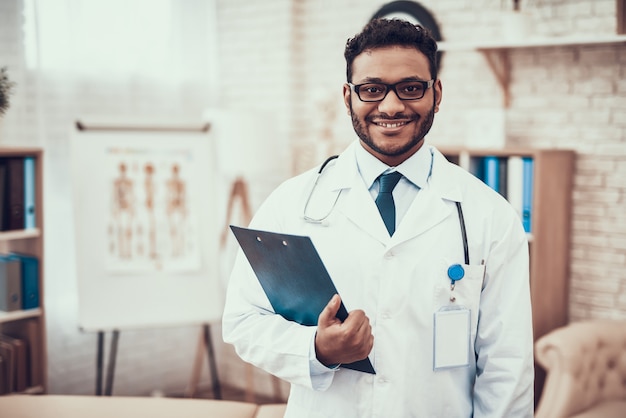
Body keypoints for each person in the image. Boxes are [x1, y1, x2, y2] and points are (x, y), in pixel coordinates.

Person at [222, 18, 534, 418]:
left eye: (410, 88)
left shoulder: (490, 215)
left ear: (436, 93)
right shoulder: (292, 203)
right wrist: (317, 350)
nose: (390, 106)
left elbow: (508, 366)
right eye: (372, 89)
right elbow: (243, 320)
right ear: (348, 96)